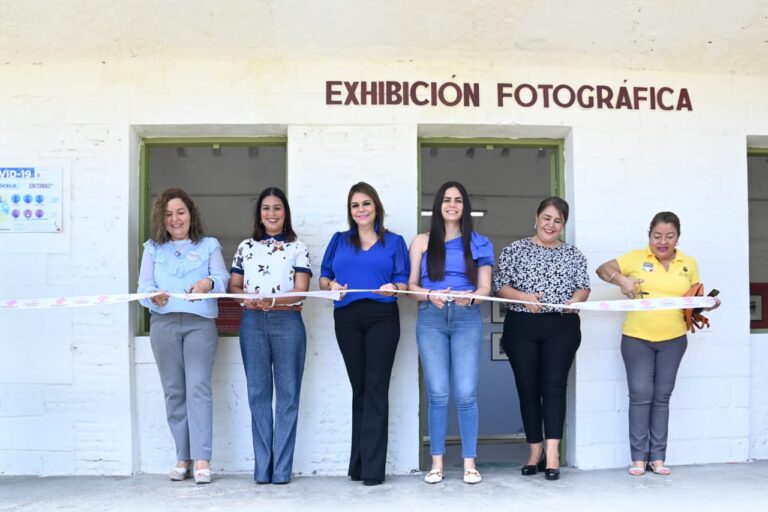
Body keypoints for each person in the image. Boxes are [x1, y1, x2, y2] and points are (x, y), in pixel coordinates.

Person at [596, 211, 720, 476]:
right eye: (657, 236)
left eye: (669, 236)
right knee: (640, 395)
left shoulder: (689, 263)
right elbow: (603, 269)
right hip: (637, 338)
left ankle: (658, 459)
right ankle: (638, 459)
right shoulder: (636, 258)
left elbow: (692, 302)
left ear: (678, 238)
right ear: (649, 236)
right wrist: (621, 279)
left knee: (662, 397)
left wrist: (708, 304)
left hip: (674, 340)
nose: (662, 241)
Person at [492, 197, 590, 481]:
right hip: (522, 325)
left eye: (557, 221)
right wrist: (524, 297)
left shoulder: (574, 255)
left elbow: (583, 288)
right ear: (536, 218)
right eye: (546, 218)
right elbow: (500, 287)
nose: (551, 224)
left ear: (563, 225)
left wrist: (574, 300)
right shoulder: (515, 250)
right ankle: (535, 451)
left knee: (555, 387)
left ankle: (553, 452)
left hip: (561, 326)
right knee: (528, 388)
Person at [319, 182, 410, 486]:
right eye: (355, 205)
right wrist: (332, 286)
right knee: (359, 387)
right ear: (350, 211)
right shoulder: (339, 240)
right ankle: (357, 465)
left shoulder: (394, 242)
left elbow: (404, 283)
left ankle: (372, 470)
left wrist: (393, 287)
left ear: (377, 207)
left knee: (375, 387)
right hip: (347, 316)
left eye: (366, 204)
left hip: (382, 316)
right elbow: (323, 278)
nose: (361, 210)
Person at [137, 187, 229, 484]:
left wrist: (207, 283)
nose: (175, 219)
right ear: (161, 219)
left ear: (191, 214)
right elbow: (142, 289)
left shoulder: (209, 245)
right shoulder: (152, 248)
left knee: (198, 388)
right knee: (174, 390)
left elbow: (223, 280)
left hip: (200, 324)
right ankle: (183, 457)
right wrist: (154, 297)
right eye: (168, 214)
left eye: (180, 212)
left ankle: (202, 458)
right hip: (163, 325)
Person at [407, 181, 493, 485]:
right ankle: (437, 464)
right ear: (438, 205)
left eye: (458, 199)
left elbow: (485, 288)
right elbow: (411, 287)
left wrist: (472, 297)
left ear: (465, 206)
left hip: (467, 317)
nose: (452, 204)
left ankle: (470, 463)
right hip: (431, 317)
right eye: (446, 199)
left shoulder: (480, 242)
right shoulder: (421, 241)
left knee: (466, 393)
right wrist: (430, 295)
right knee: (438, 393)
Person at [229, 187, 311, 484]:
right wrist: (245, 299)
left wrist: (274, 301)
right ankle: (262, 468)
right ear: (259, 214)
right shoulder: (245, 247)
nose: (272, 213)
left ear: (285, 212)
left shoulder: (297, 247)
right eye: (266, 208)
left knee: (288, 396)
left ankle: (282, 471)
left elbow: (302, 289)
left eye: (277, 208)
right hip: (252, 323)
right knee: (258, 396)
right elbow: (234, 287)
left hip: (287, 323)